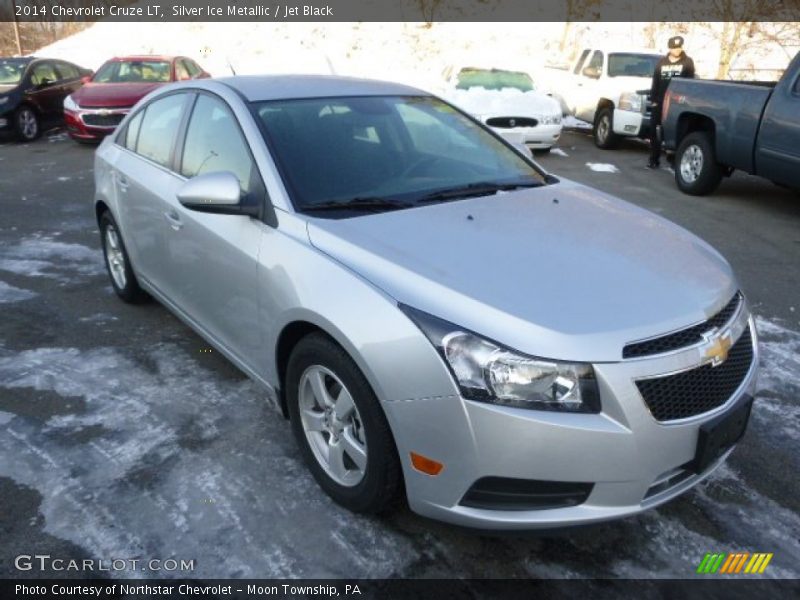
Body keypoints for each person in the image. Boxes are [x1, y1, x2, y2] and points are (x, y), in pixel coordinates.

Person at [647, 35, 695, 169]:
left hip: (677, 103)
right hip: (660, 101)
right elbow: (656, 81)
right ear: (669, 48)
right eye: (674, 48)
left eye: (679, 47)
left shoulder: (687, 62)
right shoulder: (662, 62)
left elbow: (690, 82)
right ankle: (654, 159)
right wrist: (654, 99)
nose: (677, 50)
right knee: (655, 130)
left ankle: (674, 160)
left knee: (676, 131)